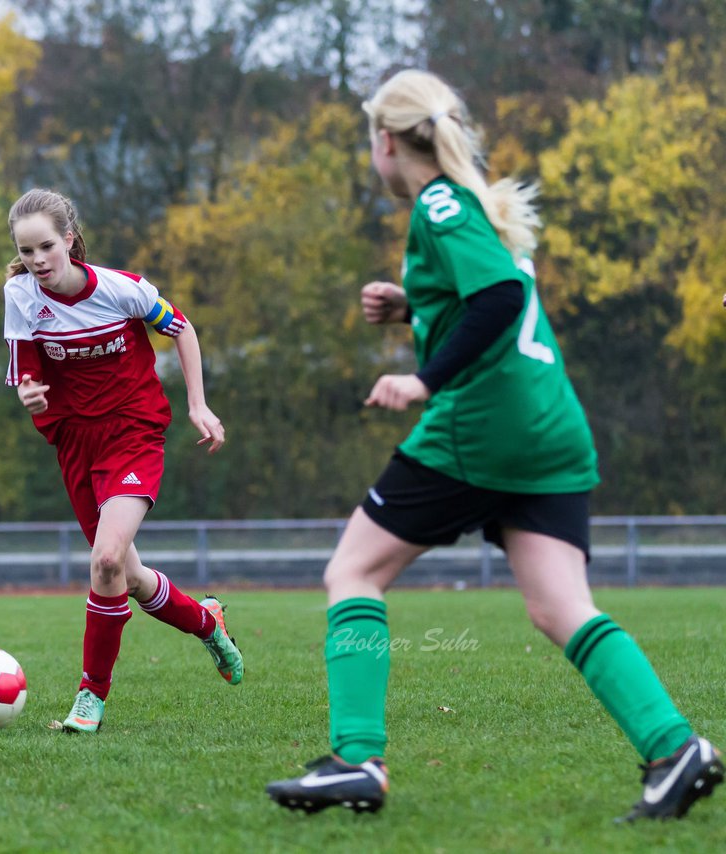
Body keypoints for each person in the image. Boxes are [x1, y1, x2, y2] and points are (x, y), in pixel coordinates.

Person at [265, 69, 722, 820]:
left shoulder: (438, 202)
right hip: (551, 426)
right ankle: (676, 750)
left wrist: (422, 379)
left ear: (386, 141)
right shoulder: (471, 204)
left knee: (353, 570)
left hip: (485, 425)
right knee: (561, 606)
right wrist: (414, 305)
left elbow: (501, 299)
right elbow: (492, 289)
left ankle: (355, 759)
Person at [2, 187, 242, 734]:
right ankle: (208, 622)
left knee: (106, 559)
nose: (38, 260)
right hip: (74, 443)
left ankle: (91, 697)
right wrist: (31, 394)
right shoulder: (20, 295)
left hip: (134, 432)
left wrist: (198, 405)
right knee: (127, 575)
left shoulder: (121, 289)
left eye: (46, 247)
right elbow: (26, 373)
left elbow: (183, 328)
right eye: (27, 250)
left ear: (69, 240)